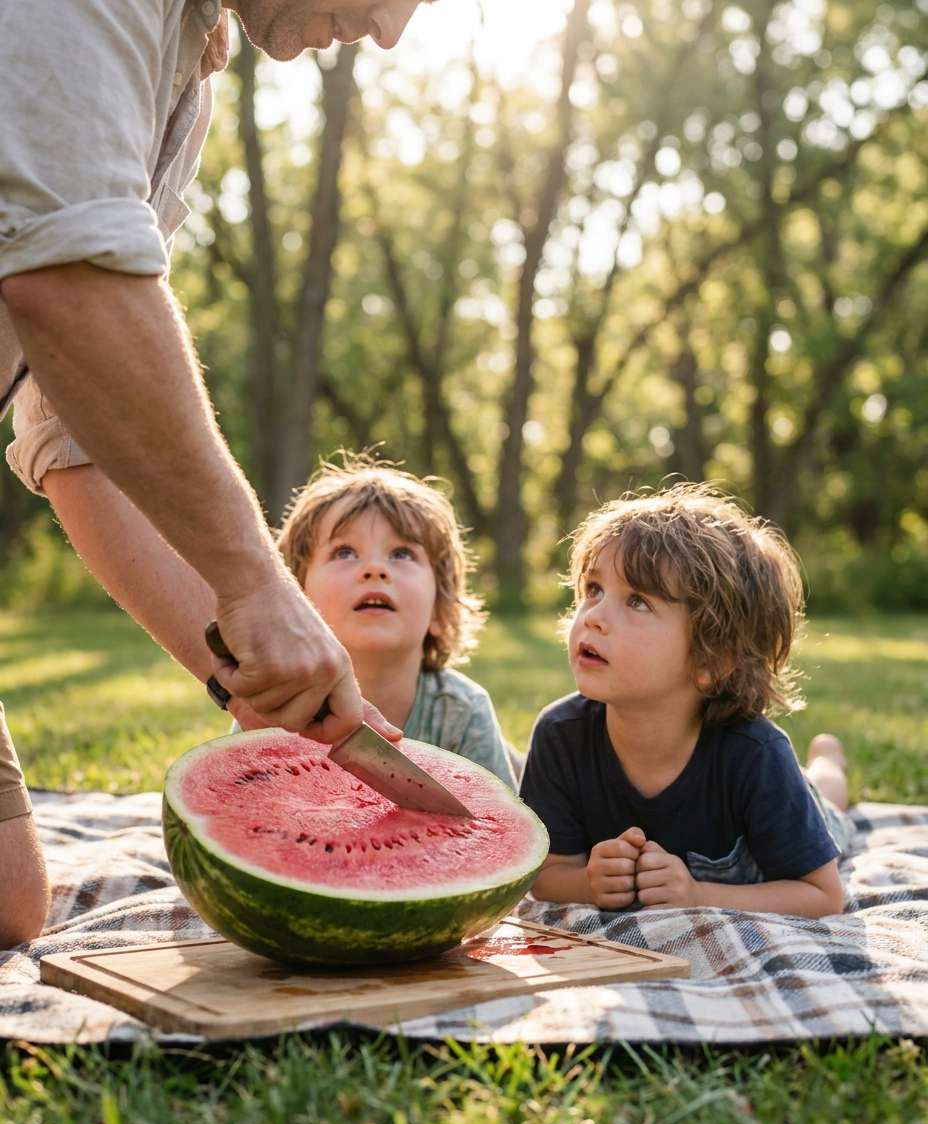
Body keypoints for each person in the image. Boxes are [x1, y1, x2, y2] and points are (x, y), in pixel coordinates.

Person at [0, 2, 432, 945]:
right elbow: (71, 285)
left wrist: (250, 672)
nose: (393, 31)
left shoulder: (188, 60)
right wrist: (252, 580)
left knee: (5, 905)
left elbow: (77, 437)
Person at [520, 484, 853, 918]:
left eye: (637, 601)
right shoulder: (559, 734)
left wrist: (698, 895)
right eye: (594, 589)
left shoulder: (757, 755)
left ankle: (829, 760)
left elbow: (823, 896)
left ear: (713, 659)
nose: (594, 617)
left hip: (795, 811)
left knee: (829, 804)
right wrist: (585, 883)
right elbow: (545, 875)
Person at [250, 455, 517, 787]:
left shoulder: (461, 713)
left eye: (402, 554)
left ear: (439, 611)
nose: (374, 569)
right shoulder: (275, 703)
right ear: (297, 603)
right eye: (344, 552)